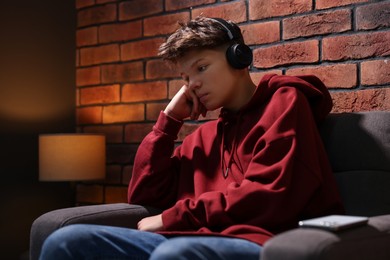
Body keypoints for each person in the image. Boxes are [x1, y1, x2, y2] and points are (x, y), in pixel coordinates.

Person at [39, 16, 344, 260]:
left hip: (260, 241)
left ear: (239, 59)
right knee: (66, 240)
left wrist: (175, 217)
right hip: (189, 241)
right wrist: (168, 123)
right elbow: (146, 196)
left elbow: (271, 193)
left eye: (201, 68)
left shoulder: (285, 102)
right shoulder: (202, 137)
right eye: (185, 77)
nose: (193, 84)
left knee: (176, 252)